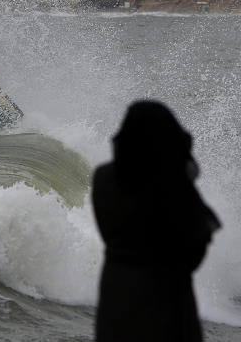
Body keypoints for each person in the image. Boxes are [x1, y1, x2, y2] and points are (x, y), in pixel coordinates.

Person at [92, 101, 220, 341]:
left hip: (115, 297)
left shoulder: (103, 177)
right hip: (165, 300)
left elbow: (108, 231)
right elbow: (195, 247)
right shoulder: (170, 183)